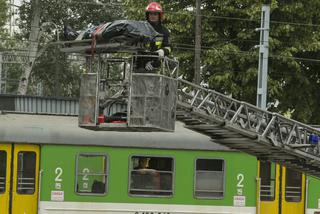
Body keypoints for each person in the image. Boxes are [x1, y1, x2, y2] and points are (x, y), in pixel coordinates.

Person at [136, 2, 171, 72]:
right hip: (140, 64)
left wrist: (162, 51)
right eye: (150, 14)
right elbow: (136, 47)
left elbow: (168, 47)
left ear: (159, 15)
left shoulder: (164, 31)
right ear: (147, 15)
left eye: (155, 14)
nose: (152, 16)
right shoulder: (141, 28)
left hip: (156, 64)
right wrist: (144, 63)